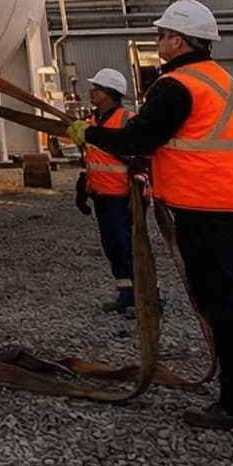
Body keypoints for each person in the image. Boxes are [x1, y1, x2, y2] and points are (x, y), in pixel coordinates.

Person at [69, 0, 233, 431]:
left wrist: (88, 133)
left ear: (178, 40)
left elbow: (139, 138)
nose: (158, 42)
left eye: (162, 35)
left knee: (221, 304)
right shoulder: (228, 83)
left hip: (206, 209)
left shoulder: (176, 86)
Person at [72, 66, 140, 313]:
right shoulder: (92, 122)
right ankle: (126, 294)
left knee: (127, 247)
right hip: (102, 194)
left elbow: (140, 158)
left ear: (110, 93)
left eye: (97, 88)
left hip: (121, 196)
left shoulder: (127, 121)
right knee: (113, 247)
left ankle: (145, 296)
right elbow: (91, 159)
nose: (92, 91)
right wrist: (83, 189)